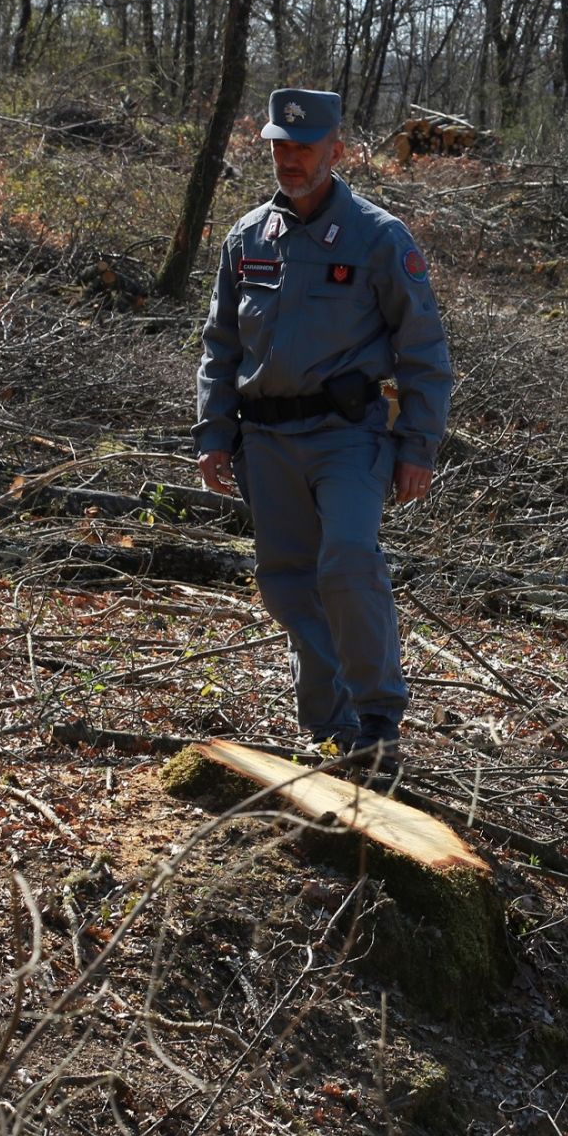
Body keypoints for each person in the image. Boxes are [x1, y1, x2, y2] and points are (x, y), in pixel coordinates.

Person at [194, 87, 452, 780]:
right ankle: (331, 726)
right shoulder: (246, 238)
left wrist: (418, 445)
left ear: (337, 150)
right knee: (286, 584)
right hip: (265, 440)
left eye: (305, 147)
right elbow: (220, 345)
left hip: (349, 436)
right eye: (281, 147)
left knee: (346, 560)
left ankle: (377, 718)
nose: (292, 159)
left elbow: (423, 348)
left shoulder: (379, 237)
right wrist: (212, 433)